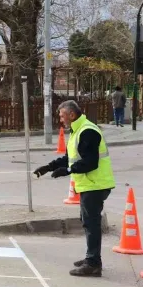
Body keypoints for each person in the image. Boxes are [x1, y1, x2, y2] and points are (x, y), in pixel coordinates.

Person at [34, 100, 115, 277]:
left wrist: (68, 170)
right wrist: (48, 167)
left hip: (95, 184)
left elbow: (90, 162)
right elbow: (69, 157)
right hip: (89, 184)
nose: (61, 119)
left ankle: (93, 263)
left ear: (71, 114)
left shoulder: (87, 131)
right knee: (87, 221)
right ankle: (91, 258)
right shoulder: (78, 130)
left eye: (62, 116)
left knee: (91, 223)